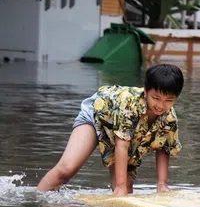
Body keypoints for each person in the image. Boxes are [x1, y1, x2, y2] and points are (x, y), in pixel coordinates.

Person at [37, 64, 184, 196]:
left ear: (176, 98)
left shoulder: (169, 118)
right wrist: (119, 187)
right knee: (67, 170)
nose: (160, 105)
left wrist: (162, 184)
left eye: (168, 101)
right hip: (98, 115)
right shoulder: (129, 105)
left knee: (127, 186)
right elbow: (122, 145)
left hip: (125, 134)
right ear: (145, 91)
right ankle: (36, 199)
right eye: (156, 98)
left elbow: (164, 148)